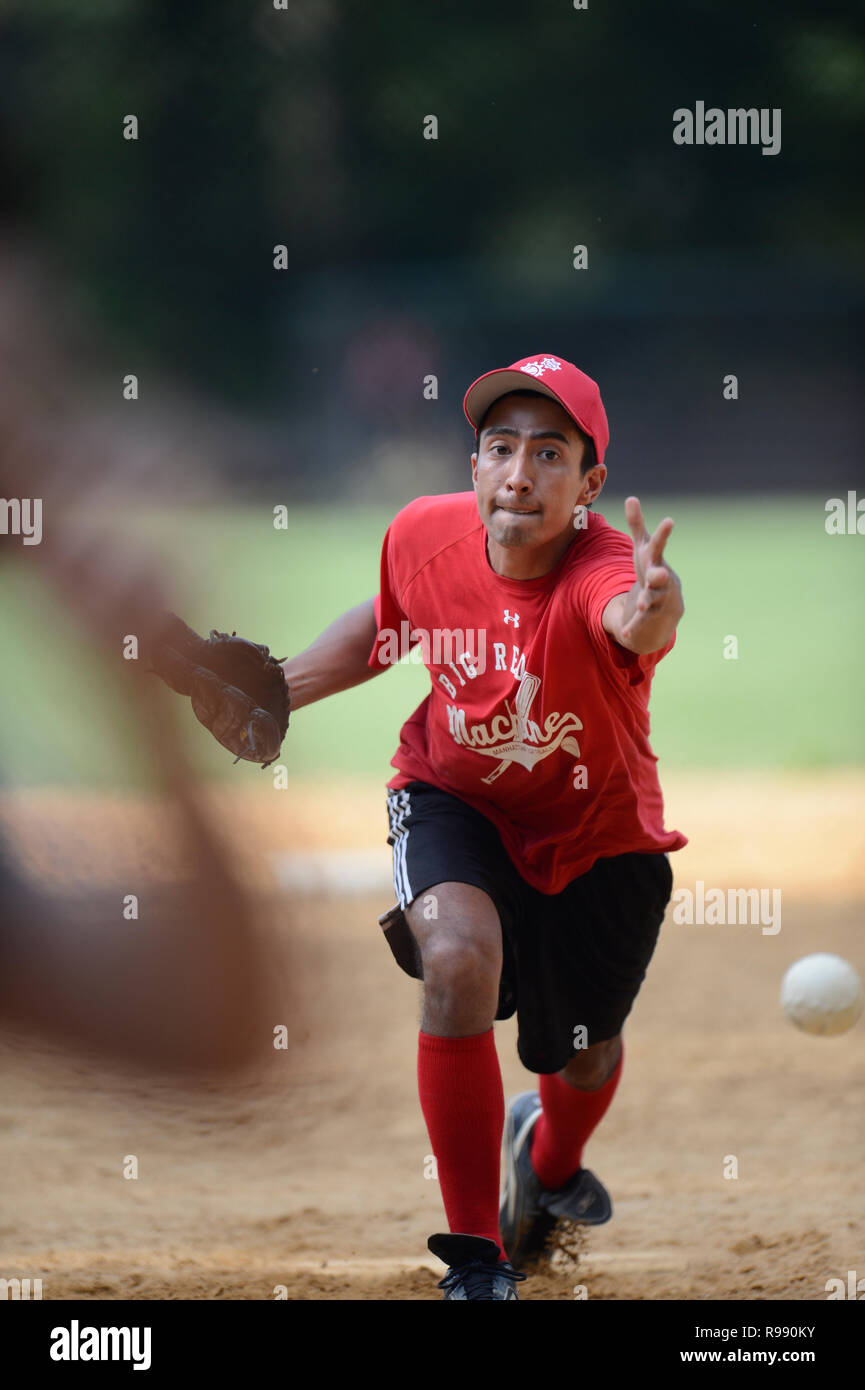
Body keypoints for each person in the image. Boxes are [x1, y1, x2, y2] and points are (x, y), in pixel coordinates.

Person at [281, 353, 686, 1300]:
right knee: (457, 958)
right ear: (473, 469)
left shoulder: (602, 570)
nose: (518, 474)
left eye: (549, 454)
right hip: (454, 798)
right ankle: (475, 1259)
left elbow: (629, 618)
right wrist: (280, 689)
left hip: (599, 834)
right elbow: (389, 624)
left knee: (581, 1054)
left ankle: (545, 1168)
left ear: (589, 484)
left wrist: (652, 608)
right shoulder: (425, 533)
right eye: (499, 448)